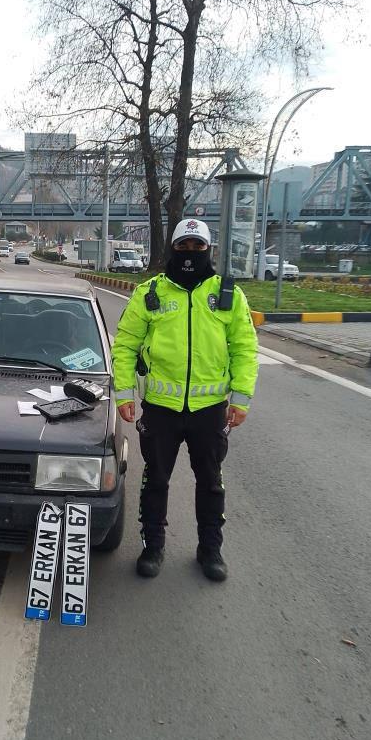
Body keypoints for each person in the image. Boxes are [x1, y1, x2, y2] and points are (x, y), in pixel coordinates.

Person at [111, 219, 258, 582]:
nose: (190, 253)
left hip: (210, 411)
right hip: (161, 408)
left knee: (210, 482)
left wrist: (240, 399)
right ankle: (153, 546)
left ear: (208, 250)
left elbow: (244, 348)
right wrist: (124, 393)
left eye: (197, 246)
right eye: (183, 246)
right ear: (171, 249)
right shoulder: (151, 293)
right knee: (156, 479)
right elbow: (126, 344)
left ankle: (210, 549)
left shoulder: (228, 294)